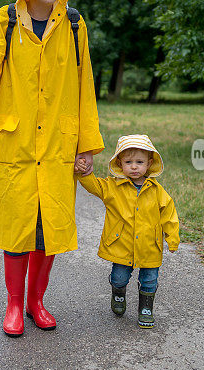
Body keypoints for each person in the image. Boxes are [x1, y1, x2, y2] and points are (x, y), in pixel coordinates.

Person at [0, 0, 104, 337]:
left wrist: (86, 146)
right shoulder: (5, 21)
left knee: (49, 228)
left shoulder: (75, 25)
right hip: (16, 142)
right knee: (17, 226)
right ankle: (13, 304)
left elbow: (85, 86)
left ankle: (36, 301)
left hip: (59, 144)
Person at [75, 134, 179, 328]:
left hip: (150, 246)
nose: (134, 167)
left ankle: (146, 309)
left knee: (150, 279)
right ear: (119, 163)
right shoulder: (112, 187)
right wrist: (84, 173)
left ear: (149, 164)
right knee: (119, 276)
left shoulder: (157, 191)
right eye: (128, 162)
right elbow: (92, 186)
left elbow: (169, 215)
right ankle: (118, 293)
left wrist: (172, 238)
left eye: (139, 162)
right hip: (121, 244)